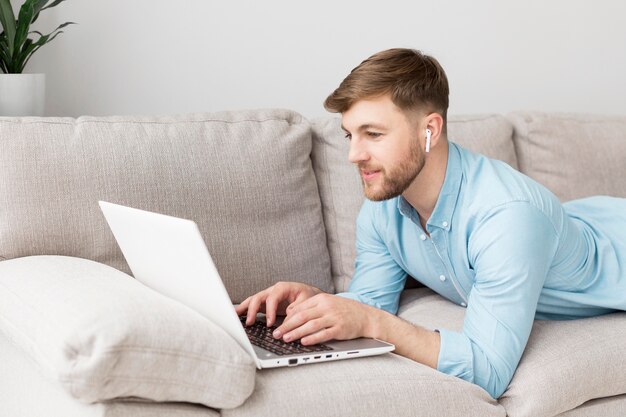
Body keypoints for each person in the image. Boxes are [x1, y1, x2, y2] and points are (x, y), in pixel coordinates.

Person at [235, 48, 626, 399]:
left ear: (430, 130)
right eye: (350, 135)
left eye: (373, 134)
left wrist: (375, 322)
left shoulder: (507, 217)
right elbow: (372, 300)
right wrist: (318, 303)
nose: (354, 154)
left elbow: (487, 370)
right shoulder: (383, 204)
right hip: (581, 219)